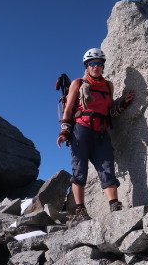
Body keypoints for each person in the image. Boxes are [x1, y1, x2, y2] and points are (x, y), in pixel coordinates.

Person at [56, 48, 135, 226]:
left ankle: (114, 207)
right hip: (81, 131)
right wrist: (64, 132)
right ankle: (80, 211)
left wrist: (123, 102)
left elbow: (110, 112)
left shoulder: (108, 86)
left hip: (101, 132)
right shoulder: (78, 83)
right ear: (87, 66)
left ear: (103, 66)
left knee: (107, 168)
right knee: (79, 170)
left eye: (99, 64)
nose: (96, 67)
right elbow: (68, 110)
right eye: (92, 63)